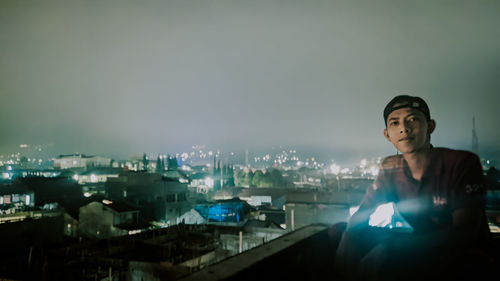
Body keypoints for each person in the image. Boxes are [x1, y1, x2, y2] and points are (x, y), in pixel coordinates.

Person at [334, 95, 494, 281]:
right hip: (418, 243)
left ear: (430, 126)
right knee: (338, 231)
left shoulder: (461, 163)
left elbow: (465, 233)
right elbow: (365, 211)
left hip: (463, 256)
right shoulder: (391, 167)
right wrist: (348, 236)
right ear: (387, 134)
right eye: (395, 123)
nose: (404, 128)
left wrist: (392, 249)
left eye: (413, 119)